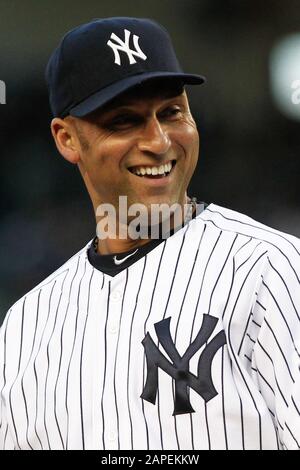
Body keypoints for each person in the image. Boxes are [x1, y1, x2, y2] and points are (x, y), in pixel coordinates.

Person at [1, 17, 300, 451]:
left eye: (171, 112)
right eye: (124, 121)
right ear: (67, 139)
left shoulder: (272, 271)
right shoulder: (26, 324)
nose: (158, 142)